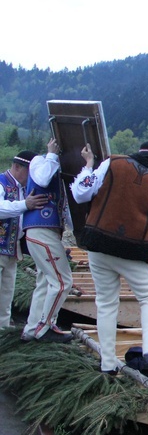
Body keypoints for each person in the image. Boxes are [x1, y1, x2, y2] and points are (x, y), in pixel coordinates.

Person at [71, 140, 148, 375]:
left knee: (106, 304)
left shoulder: (111, 163)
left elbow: (81, 193)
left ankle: (107, 365)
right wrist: (144, 250)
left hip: (97, 243)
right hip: (133, 250)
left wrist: (88, 166)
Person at [21, 138, 75, 343]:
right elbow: (42, 180)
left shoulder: (59, 178)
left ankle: (32, 327)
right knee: (62, 282)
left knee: (44, 281)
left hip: (44, 233)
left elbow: (66, 213)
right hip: (40, 231)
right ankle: (45, 327)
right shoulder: (39, 161)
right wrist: (51, 154)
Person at [0, 151, 47, 328]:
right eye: (31, 170)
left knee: (5, 300)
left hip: (11, 251)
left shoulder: (25, 189)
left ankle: (2, 339)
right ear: (18, 167)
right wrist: (24, 205)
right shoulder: (1, 182)